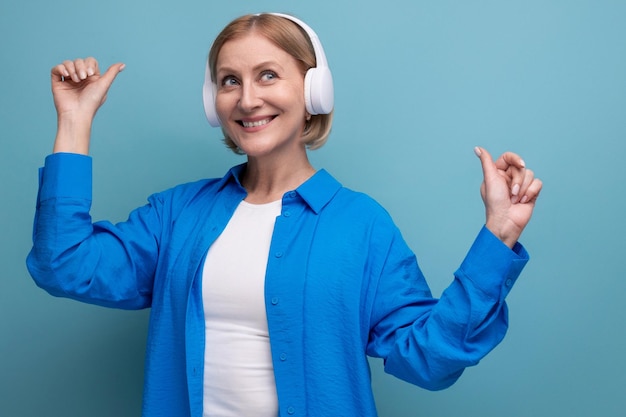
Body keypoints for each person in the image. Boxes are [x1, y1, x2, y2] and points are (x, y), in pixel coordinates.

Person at [27, 12, 542, 417]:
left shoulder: (362, 226)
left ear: (314, 91)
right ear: (213, 101)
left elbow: (430, 358)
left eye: (268, 75)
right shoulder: (177, 214)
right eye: (229, 81)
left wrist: (498, 236)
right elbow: (63, 262)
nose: (248, 99)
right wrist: (74, 122)